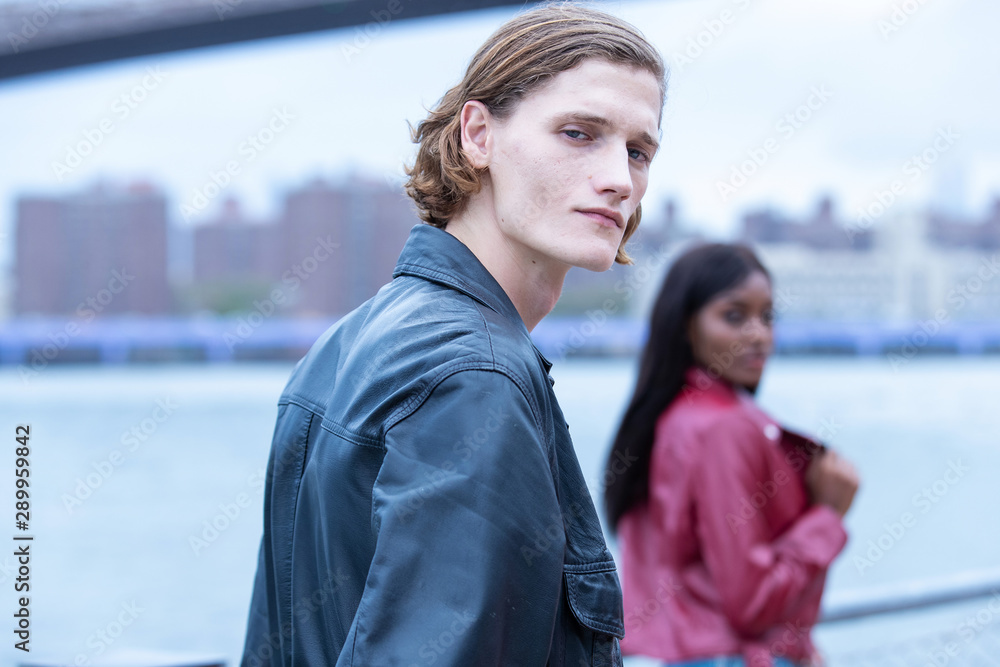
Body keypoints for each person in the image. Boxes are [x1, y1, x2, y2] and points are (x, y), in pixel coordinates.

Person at [240, 3, 667, 665]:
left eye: (638, 151)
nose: (620, 179)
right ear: (478, 135)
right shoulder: (476, 376)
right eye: (579, 133)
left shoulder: (348, 340)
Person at [602, 243, 860, 667]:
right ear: (687, 326)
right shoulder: (725, 428)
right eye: (735, 316)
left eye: (768, 316)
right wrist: (827, 518)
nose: (758, 334)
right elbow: (752, 603)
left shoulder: (669, 418)